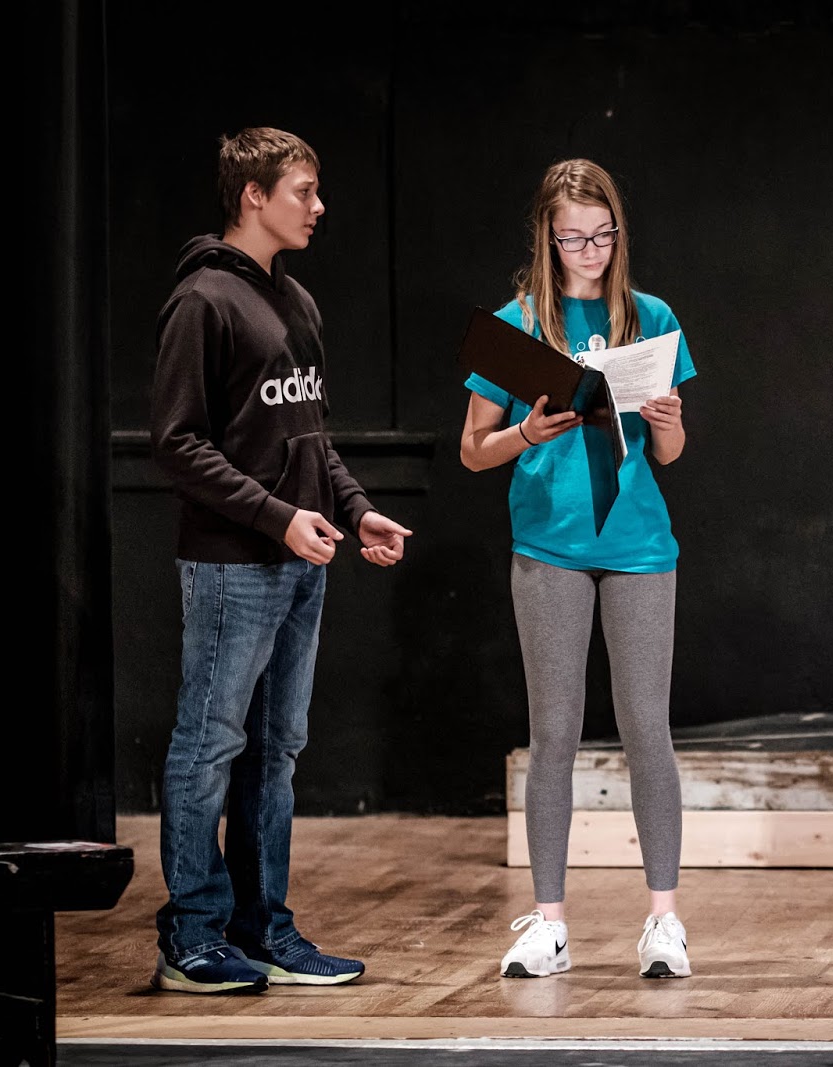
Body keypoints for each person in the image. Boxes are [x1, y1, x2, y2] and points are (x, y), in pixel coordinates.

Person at [149, 127, 413, 993]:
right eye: (304, 190)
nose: (319, 206)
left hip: (303, 561)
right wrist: (277, 517)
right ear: (252, 196)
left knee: (276, 750)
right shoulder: (202, 300)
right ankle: (191, 935)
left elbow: (310, 436)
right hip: (233, 563)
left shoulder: (296, 303)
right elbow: (177, 443)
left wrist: (357, 510)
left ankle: (264, 928)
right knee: (209, 745)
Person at [461, 159, 696, 979]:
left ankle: (664, 919)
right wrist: (528, 433)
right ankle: (550, 924)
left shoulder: (650, 316)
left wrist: (666, 420)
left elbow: (671, 451)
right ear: (547, 238)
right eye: (573, 238)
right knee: (553, 733)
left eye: (603, 235)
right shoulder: (517, 324)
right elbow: (473, 450)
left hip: (638, 546)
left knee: (647, 729)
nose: (590, 251)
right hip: (550, 547)